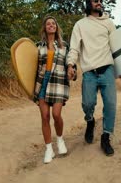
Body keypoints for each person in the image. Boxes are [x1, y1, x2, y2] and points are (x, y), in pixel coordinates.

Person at [66, 0, 117, 156]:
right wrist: (71, 64)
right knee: (87, 104)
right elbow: (74, 48)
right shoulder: (80, 25)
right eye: (95, 1)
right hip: (90, 72)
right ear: (88, 3)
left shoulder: (109, 23)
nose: (99, 3)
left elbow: (116, 46)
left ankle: (106, 137)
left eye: (100, 1)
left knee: (110, 105)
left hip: (107, 70)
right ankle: (90, 121)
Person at [34, 16, 71, 164]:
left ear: (56, 27)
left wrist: (71, 70)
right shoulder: (38, 46)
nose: (51, 25)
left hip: (58, 81)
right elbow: (31, 67)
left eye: (53, 23)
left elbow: (70, 63)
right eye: (48, 24)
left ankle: (60, 139)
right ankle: (49, 149)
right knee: (44, 117)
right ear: (44, 28)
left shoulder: (64, 46)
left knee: (56, 115)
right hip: (43, 81)